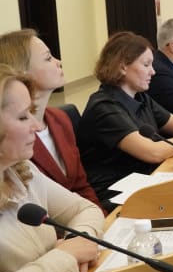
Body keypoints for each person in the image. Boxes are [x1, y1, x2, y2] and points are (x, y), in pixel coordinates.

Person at [0, 65, 104, 272]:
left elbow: (85, 209)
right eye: (23, 117)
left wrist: (78, 242)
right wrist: (64, 258)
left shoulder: (21, 169)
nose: (37, 126)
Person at [77, 31, 173, 204]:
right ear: (122, 67)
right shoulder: (104, 107)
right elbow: (153, 152)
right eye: (146, 65)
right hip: (117, 192)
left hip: (146, 177)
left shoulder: (139, 96)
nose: (153, 72)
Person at [0, 30, 103, 212]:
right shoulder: (14, 143)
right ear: (22, 71)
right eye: (48, 58)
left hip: (81, 217)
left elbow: (82, 186)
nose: (59, 62)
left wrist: (104, 221)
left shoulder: (60, 119)